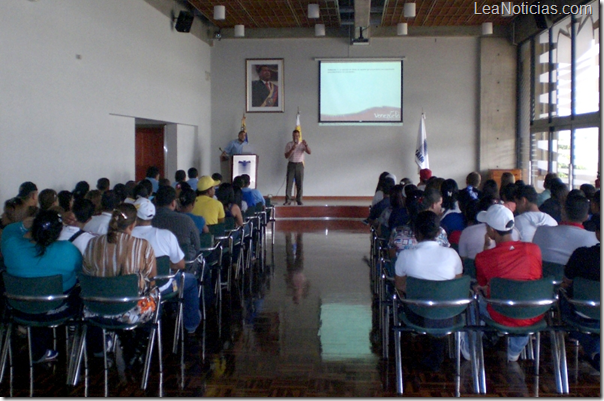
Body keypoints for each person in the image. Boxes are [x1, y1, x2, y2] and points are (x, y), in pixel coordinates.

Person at [461, 204, 543, 363]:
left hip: (501, 313)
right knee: (522, 295)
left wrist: (485, 248)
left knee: (473, 298)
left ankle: (470, 347)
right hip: (532, 312)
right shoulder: (534, 249)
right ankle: (515, 349)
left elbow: (483, 285)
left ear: (491, 231)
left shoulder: (484, 258)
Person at [1, 209, 82, 363]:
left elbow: (8, 230)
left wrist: (23, 224)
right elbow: (81, 270)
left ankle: (37, 349)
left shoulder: (11, 245)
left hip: (19, 309)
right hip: (57, 310)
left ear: (33, 226)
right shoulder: (68, 249)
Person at [82, 203, 158, 362]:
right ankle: (138, 346)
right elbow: (152, 280)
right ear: (133, 224)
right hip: (130, 311)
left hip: (95, 309)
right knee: (154, 297)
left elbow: (86, 275)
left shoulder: (92, 244)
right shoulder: (142, 246)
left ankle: (105, 345)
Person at [394, 210, 463, 371]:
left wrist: (423, 291)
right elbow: (456, 285)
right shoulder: (452, 255)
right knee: (438, 309)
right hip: (448, 315)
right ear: (439, 232)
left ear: (415, 233)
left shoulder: (405, 256)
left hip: (416, 314)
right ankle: (437, 355)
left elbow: (400, 286)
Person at [131, 198, 201, 335]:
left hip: (132, 288)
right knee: (191, 280)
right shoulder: (165, 235)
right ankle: (191, 324)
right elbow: (181, 265)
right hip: (161, 286)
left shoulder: (124, 237)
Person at [560, 214, 600, 372]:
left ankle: (595, 349)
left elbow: (567, 281)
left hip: (584, 313)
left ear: (597, 233)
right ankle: (595, 350)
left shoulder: (581, 255)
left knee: (564, 296)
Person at [533, 192, 599, 265]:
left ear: (563, 212)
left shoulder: (541, 231)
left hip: (542, 275)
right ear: (586, 217)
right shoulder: (595, 239)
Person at [152, 185, 201, 262]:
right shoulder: (186, 220)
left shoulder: (149, 221)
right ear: (173, 203)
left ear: (155, 201)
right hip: (185, 266)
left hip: (156, 268)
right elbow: (197, 246)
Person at [283, 129, 311, 205]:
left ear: (299, 136)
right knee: (289, 183)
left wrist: (306, 145)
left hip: (299, 165)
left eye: (297, 136)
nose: (296, 137)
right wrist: (292, 149)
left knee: (300, 183)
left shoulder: (302, 144)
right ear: (292, 136)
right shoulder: (289, 144)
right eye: (294, 136)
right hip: (291, 164)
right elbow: (286, 156)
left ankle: (299, 199)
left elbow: (309, 152)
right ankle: (288, 200)